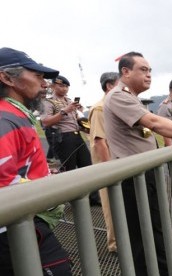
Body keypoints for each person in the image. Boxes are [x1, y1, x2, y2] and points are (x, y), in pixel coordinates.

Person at [103, 51, 172, 276]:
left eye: (150, 71)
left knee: (155, 223)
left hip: (144, 172)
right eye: (143, 70)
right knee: (140, 231)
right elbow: (155, 122)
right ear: (125, 72)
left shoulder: (132, 97)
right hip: (133, 175)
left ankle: (164, 266)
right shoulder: (118, 96)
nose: (149, 75)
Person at [0, 47, 72, 275]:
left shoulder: (17, 114)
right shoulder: (5, 118)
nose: (45, 84)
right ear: (6, 77)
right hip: (15, 226)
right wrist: (47, 188)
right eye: (38, 76)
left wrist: (45, 176)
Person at [40, 75, 101, 205]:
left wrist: (83, 124)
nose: (64, 88)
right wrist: (64, 111)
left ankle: (94, 198)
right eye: (61, 85)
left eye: (66, 86)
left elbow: (75, 121)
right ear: (53, 86)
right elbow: (46, 122)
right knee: (70, 170)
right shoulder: (48, 102)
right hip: (64, 138)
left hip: (77, 136)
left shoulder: (69, 101)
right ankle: (74, 201)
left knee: (88, 166)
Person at [88, 72, 119, 253]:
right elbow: (100, 142)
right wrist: (110, 170)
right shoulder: (100, 109)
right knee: (111, 205)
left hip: (119, 163)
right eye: (120, 85)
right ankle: (115, 244)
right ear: (109, 86)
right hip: (109, 166)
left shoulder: (115, 107)